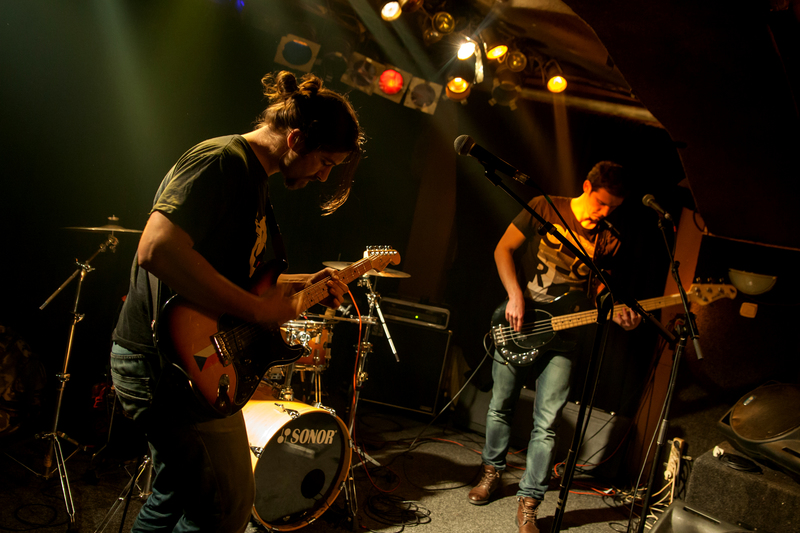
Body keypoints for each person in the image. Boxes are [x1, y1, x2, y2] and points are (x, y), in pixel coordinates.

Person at [109, 70, 364, 532]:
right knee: (226, 509)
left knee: (173, 498)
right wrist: (257, 311)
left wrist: (303, 284)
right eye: (325, 161)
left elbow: (231, 278)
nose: (324, 174)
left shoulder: (254, 180)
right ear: (296, 138)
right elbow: (156, 249)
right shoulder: (222, 161)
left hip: (178, 361)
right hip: (164, 366)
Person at [467, 161, 642, 533]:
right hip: (520, 320)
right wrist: (515, 295)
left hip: (565, 334)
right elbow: (503, 250)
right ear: (587, 187)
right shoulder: (545, 207)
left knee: (547, 423)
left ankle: (530, 501)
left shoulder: (609, 238)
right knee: (500, 405)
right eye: (601, 203)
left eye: (613, 207)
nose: (605, 212)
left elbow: (598, 287)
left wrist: (616, 311)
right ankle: (491, 471)